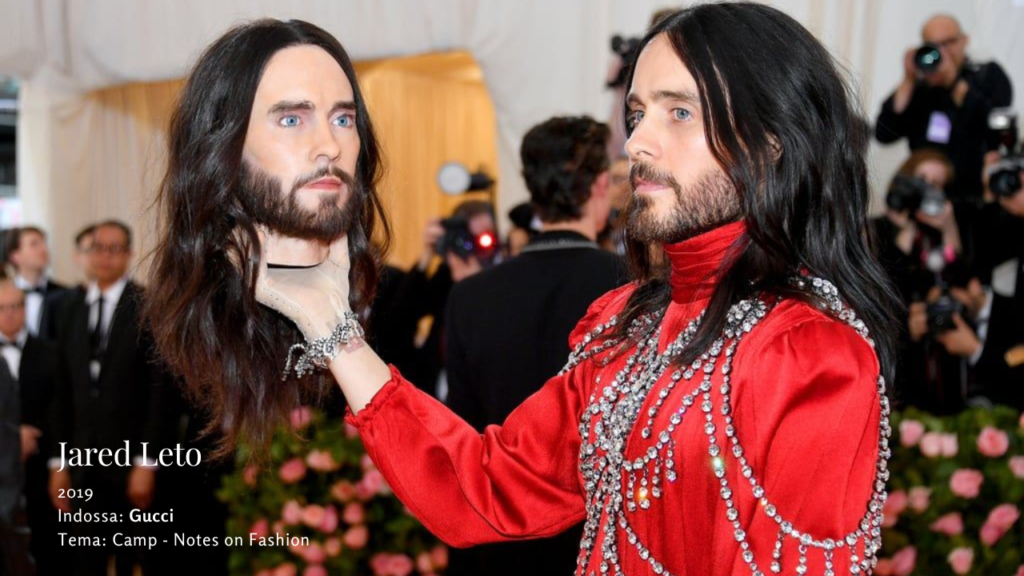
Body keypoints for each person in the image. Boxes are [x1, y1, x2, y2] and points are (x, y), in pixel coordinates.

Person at [236, 5, 900, 576]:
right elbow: (488, 489)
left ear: (769, 142)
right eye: (636, 114)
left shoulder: (810, 353)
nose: (638, 142)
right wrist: (333, 325)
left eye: (678, 113)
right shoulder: (620, 326)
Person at [143, 19, 392, 455]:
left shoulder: (384, 298)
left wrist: (332, 322)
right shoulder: (171, 331)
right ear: (224, 146)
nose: (329, 145)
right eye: (292, 119)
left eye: (343, 118)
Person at [444, 116, 627, 576]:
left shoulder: (470, 294)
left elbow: (460, 427)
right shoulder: (631, 287)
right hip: (596, 537)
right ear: (601, 184)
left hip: (496, 533)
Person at [49, 221, 169, 576]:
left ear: (128, 254)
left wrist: (147, 463)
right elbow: (62, 392)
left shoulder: (147, 306)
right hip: (82, 461)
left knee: (135, 557)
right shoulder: (70, 308)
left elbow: (159, 393)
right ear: (86, 254)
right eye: (98, 247)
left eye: (114, 248)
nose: (105, 256)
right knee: (85, 557)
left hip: (131, 462)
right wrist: (57, 464)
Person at [874, 14, 1013, 208]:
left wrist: (953, 82)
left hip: (973, 198)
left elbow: (992, 128)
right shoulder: (921, 86)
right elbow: (884, 134)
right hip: (923, 192)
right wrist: (908, 80)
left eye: (948, 42)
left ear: (964, 40)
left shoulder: (987, 75)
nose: (942, 51)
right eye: (933, 45)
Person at [0, 279, 66, 576]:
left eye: (16, 306)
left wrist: (58, 465)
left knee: (47, 550)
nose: (10, 314)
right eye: (2, 308)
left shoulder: (51, 353)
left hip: (42, 468)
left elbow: (61, 412)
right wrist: (13, 437)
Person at [4, 226, 68, 341]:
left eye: (44, 243)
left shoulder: (64, 294)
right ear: (15, 256)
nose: (43, 249)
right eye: (34, 244)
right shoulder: (4, 295)